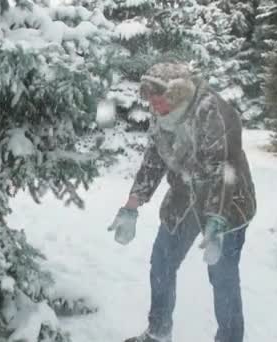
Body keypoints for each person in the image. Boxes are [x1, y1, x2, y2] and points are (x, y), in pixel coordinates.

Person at [107, 63, 257, 342]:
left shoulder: (212, 110)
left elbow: (225, 168)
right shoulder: (160, 115)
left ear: (177, 92)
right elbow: (154, 159)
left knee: (222, 276)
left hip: (227, 202)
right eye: (148, 97)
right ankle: (158, 332)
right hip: (184, 198)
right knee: (162, 262)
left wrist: (217, 221)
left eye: (158, 95)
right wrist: (132, 204)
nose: (152, 103)